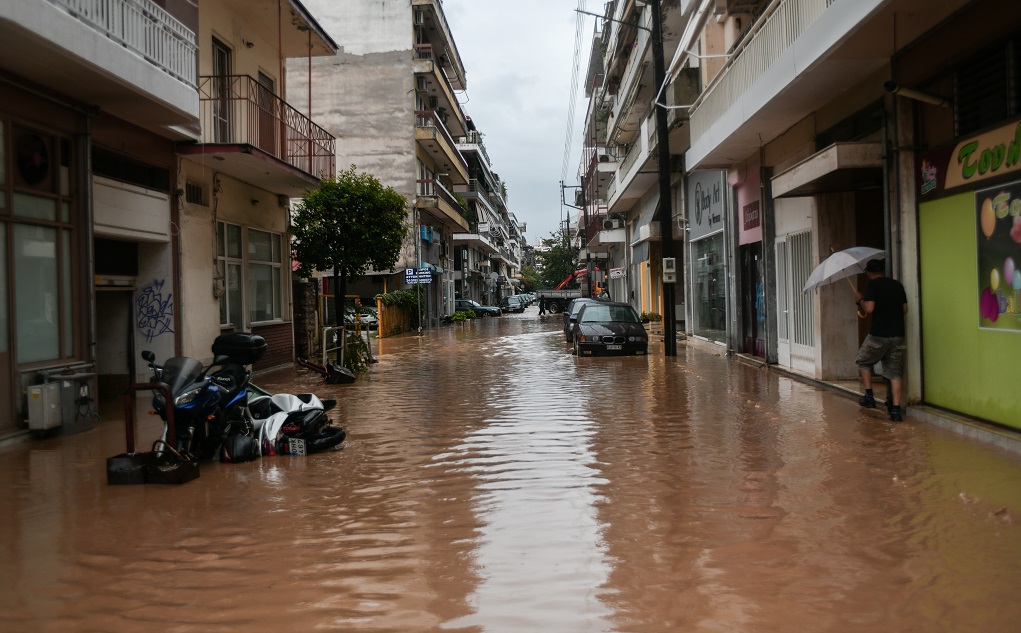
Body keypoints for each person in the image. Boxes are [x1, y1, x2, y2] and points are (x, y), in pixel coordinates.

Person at [854, 258, 908, 421]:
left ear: (869, 273)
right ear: (883, 271)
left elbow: (869, 308)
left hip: (879, 334)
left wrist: (860, 300)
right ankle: (896, 410)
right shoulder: (897, 285)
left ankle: (869, 396)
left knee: (863, 361)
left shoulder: (873, 285)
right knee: (894, 373)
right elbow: (904, 309)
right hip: (898, 335)